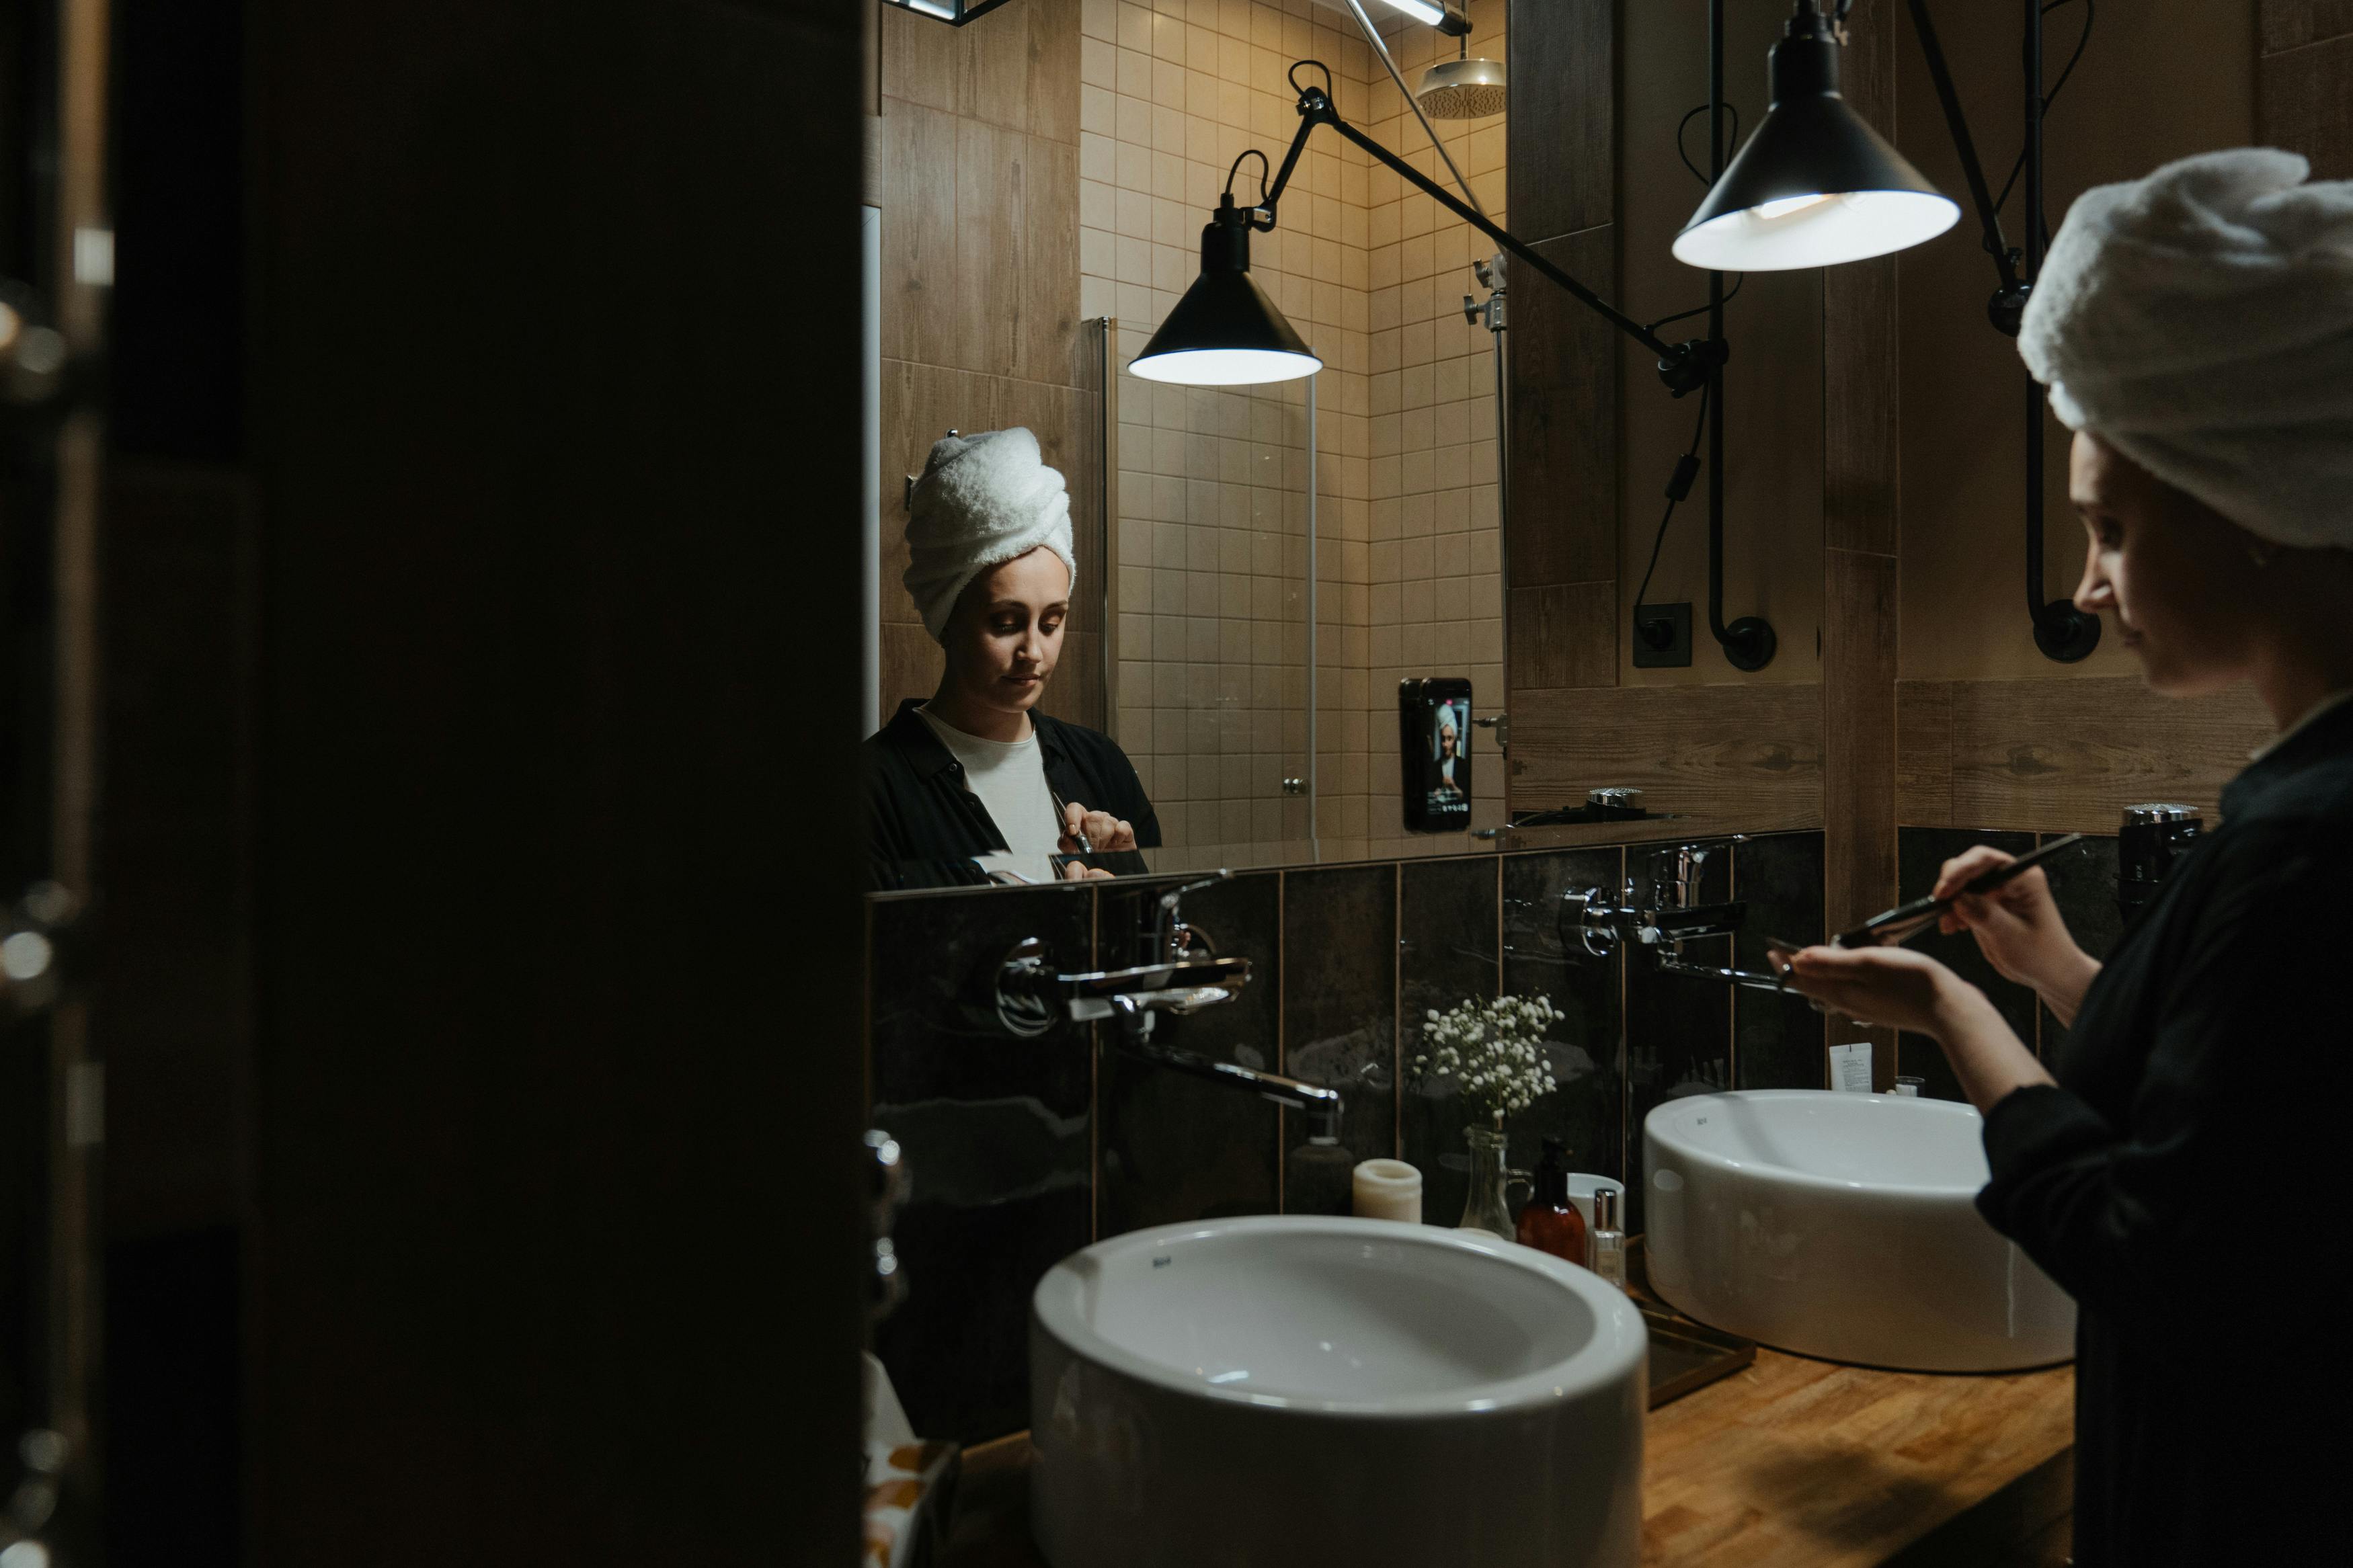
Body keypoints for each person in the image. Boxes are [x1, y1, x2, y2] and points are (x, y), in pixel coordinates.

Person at [1777, 150, 2353, 1565]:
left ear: (2251, 501)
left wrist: (1945, 1009)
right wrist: (2048, 964)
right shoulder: (2312, 806)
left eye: (2109, 527)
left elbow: (2151, 1248)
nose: (2090, 584)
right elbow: (2238, 1134)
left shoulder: (2299, 845)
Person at [865, 427, 1158, 889]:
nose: (1033, 653)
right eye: (1005, 622)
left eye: (1052, 622)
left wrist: (1126, 885)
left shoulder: (1101, 764)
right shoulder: (875, 789)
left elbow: (1162, 939)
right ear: (948, 618)